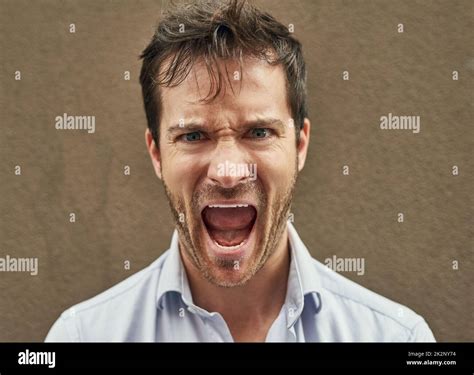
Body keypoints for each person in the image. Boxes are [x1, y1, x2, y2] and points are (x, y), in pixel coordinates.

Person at [45, 0, 435, 342]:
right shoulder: (80, 337)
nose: (229, 172)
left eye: (259, 132)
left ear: (299, 145)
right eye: (194, 135)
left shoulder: (397, 337)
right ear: (157, 154)